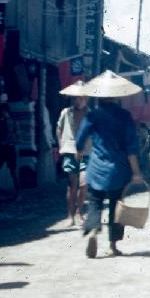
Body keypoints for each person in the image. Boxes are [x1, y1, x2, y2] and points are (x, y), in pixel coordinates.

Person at [75, 71, 145, 258]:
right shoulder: (124, 116)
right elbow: (131, 147)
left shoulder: (92, 116)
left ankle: (92, 230)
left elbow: (79, 142)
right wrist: (136, 172)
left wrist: (80, 155)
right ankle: (112, 246)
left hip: (96, 169)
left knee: (95, 203)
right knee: (116, 206)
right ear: (116, 96)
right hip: (118, 170)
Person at [55, 82, 89, 226]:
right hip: (69, 151)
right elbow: (59, 129)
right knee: (72, 184)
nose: (78, 100)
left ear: (86, 98)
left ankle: (79, 212)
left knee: (83, 183)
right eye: (75, 98)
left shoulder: (91, 114)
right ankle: (70, 215)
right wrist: (61, 145)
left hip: (87, 152)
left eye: (81, 98)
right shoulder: (65, 112)